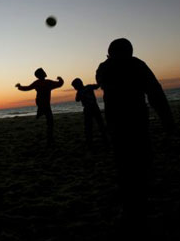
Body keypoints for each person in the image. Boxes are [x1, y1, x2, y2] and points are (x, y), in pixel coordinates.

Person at [96, 38, 174, 233]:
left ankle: (131, 207)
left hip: (117, 122)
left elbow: (102, 81)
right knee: (140, 161)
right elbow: (155, 92)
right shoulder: (136, 65)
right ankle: (136, 205)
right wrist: (167, 119)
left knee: (125, 164)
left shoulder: (104, 67)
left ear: (110, 52)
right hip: (135, 120)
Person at [16, 68, 63, 146]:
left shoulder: (38, 83)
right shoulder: (47, 82)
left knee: (49, 120)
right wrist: (60, 79)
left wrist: (20, 87)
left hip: (40, 102)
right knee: (50, 121)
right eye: (43, 72)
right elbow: (59, 84)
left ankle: (40, 111)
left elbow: (27, 88)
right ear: (41, 75)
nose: (45, 72)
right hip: (44, 104)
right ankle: (50, 139)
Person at [71, 78, 108, 147]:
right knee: (97, 124)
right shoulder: (88, 87)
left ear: (78, 85)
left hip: (90, 109)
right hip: (93, 108)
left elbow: (77, 99)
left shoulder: (82, 90)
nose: (75, 88)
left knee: (91, 126)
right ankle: (102, 139)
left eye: (75, 87)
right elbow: (97, 86)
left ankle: (91, 141)